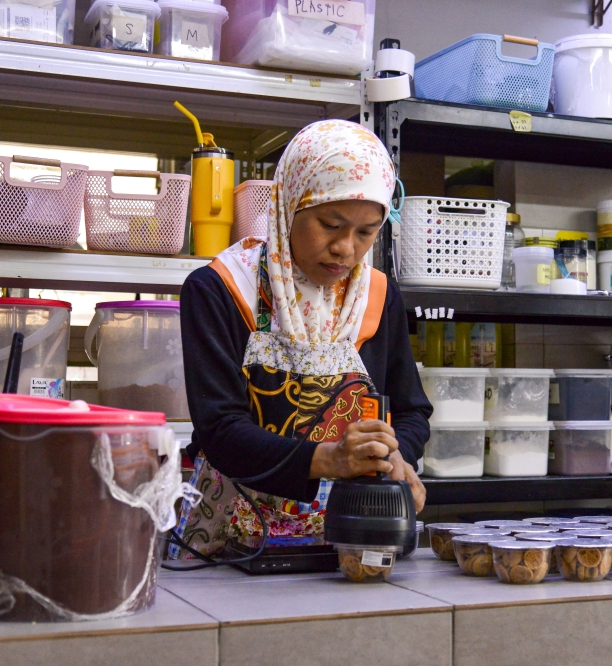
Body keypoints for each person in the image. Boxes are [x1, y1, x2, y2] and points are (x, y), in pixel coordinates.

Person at [174, 119, 430, 556]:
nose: (346, 249)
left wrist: (392, 457)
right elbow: (220, 431)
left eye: (366, 232)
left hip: (346, 542)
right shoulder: (220, 289)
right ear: (288, 205)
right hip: (227, 545)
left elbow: (410, 411)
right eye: (330, 224)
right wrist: (331, 459)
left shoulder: (377, 296)